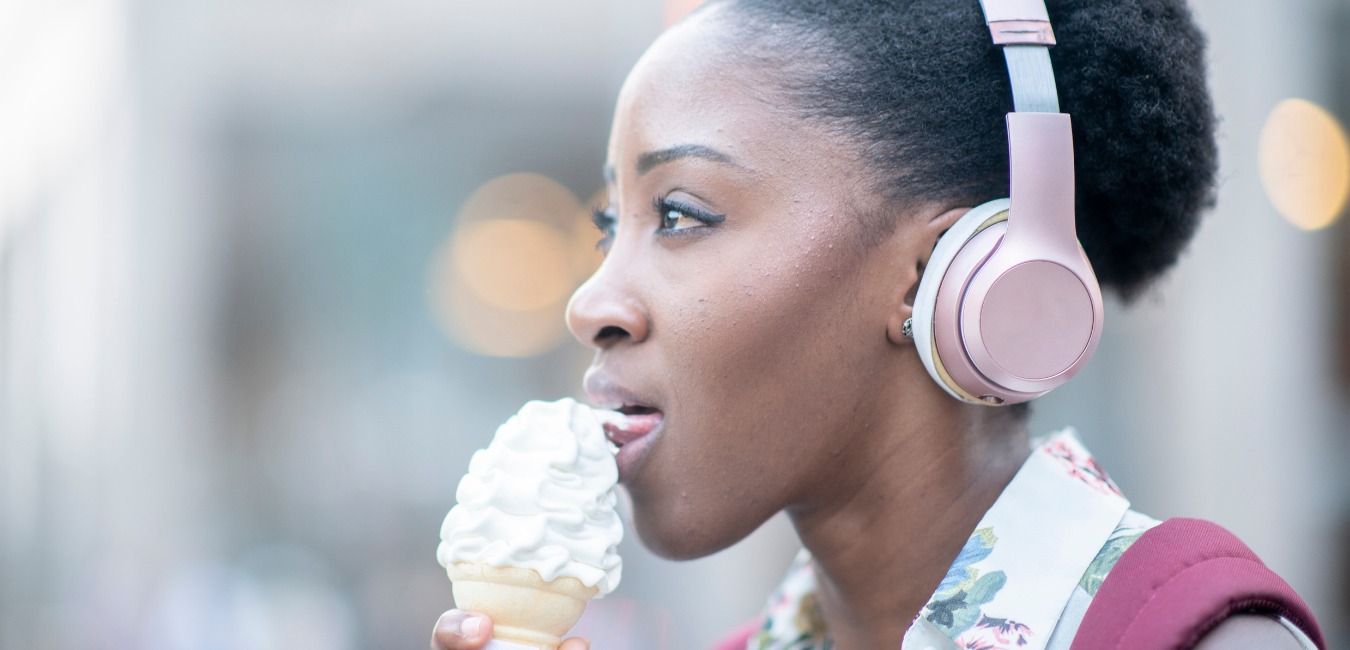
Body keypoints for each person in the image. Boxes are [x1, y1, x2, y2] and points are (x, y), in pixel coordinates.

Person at [433, 0, 1326, 648]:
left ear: (928, 275)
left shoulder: (1186, 636)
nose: (589, 302)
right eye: (608, 226)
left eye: (679, 214)